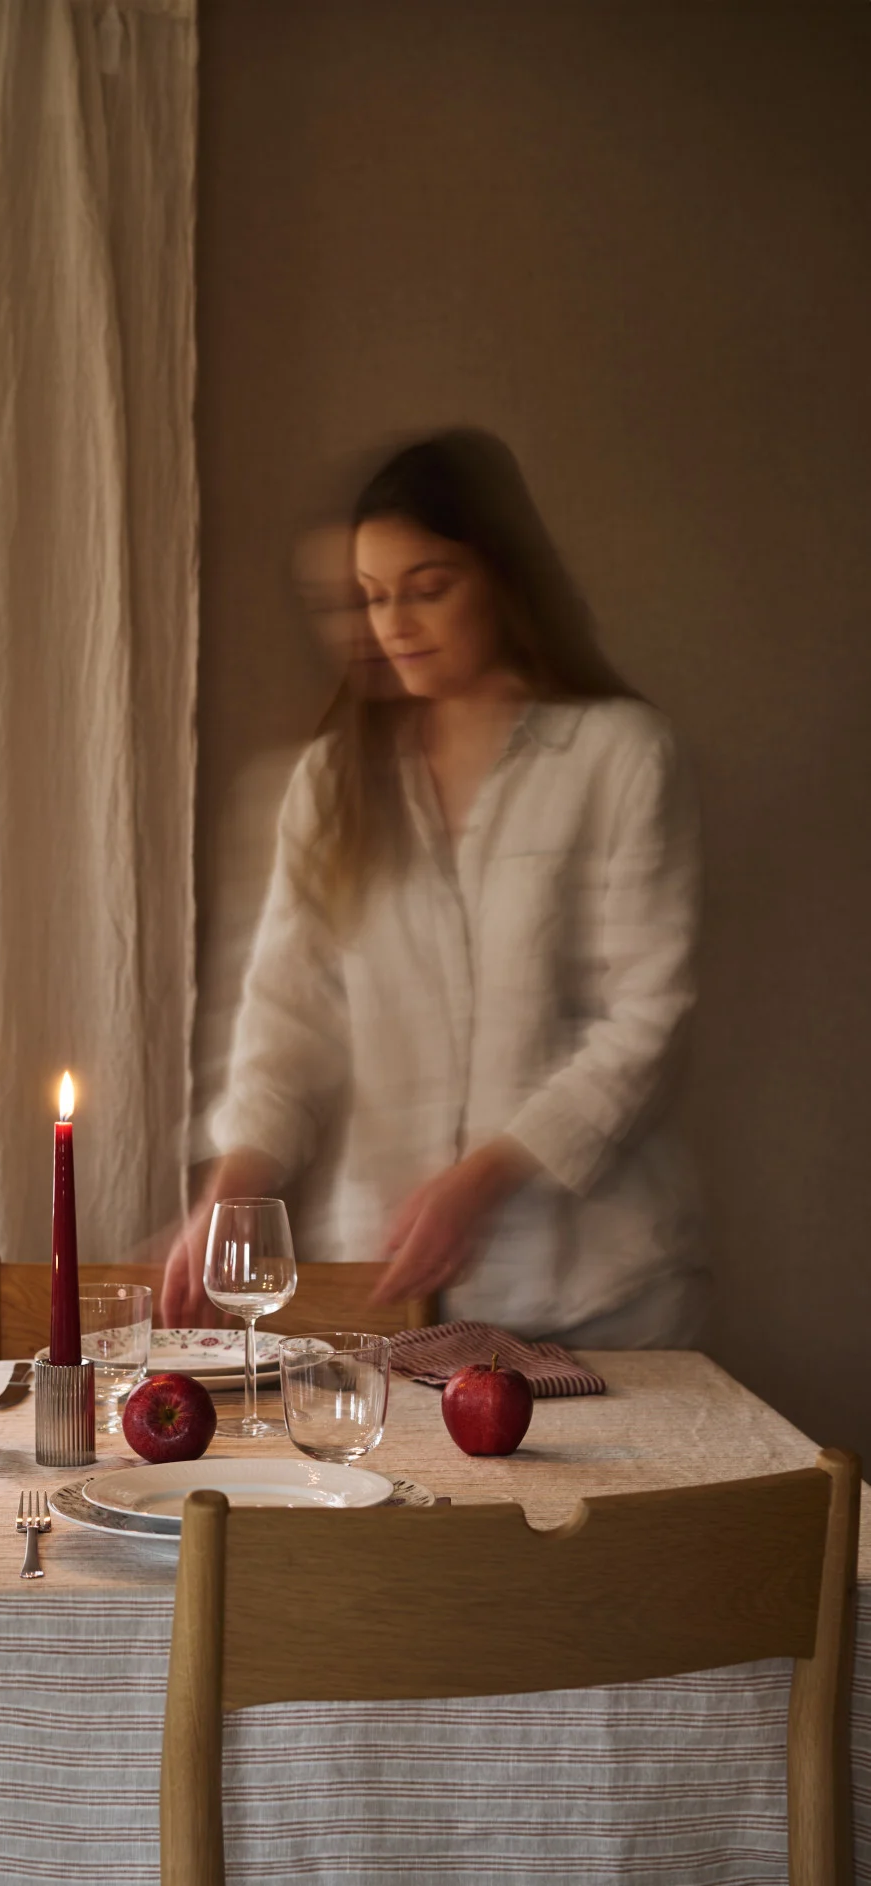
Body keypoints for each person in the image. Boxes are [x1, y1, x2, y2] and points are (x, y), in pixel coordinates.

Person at [163, 429, 706, 1347]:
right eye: (373, 598)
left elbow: (646, 1020)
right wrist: (226, 1198)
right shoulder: (335, 784)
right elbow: (284, 1023)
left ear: (497, 577)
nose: (394, 625)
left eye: (427, 588)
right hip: (391, 1299)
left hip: (597, 1291)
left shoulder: (620, 757)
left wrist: (482, 1178)